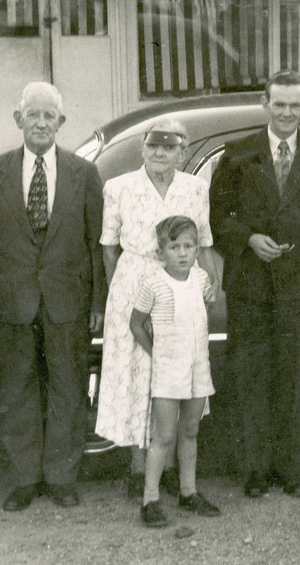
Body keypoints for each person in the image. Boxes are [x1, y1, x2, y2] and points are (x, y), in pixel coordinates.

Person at [0, 82, 106, 512]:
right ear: (18, 120)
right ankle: (24, 478)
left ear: (61, 123)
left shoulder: (83, 173)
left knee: (68, 389)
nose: (40, 123)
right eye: (32, 114)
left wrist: (96, 305)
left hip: (67, 301)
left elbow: (95, 243)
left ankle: (60, 477)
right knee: (15, 390)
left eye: (48, 116)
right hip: (12, 301)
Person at [209, 70, 300, 499]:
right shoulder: (238, 154)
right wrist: (249, 239)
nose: (288, 112)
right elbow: (217, 218)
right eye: (280, 104)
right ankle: (254, 470)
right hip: (251, 286)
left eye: (296, 104)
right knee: (250, 377)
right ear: (265, 103)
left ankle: (292, 470)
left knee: (294, 377)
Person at [95, 120, 218, 498]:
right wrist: (124, 294)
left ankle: (170, 468)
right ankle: (137, 466)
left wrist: (210, 286)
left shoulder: (195, 188)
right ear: (143, 149)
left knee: (175, 373)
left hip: (181, 289)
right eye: (153, 145)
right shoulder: (118, 188)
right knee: (139, 373)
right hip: (134, 284)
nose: (160, 153)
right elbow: (109, 247)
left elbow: (206, 242)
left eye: (170, 147)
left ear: (183, 151)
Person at [130, 216, 219, 527]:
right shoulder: (153, 283)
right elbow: (136, 324)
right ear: (161, 252)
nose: (182, 253)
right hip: (168, 372)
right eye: (174, 246)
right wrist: (158, 354)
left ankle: (188, 491)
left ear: (196, 249)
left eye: (189, 246)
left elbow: (199, 316)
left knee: (190, 430)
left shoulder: (200, 280)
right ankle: (150, 499)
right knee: (164, 434)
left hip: (197, 367)